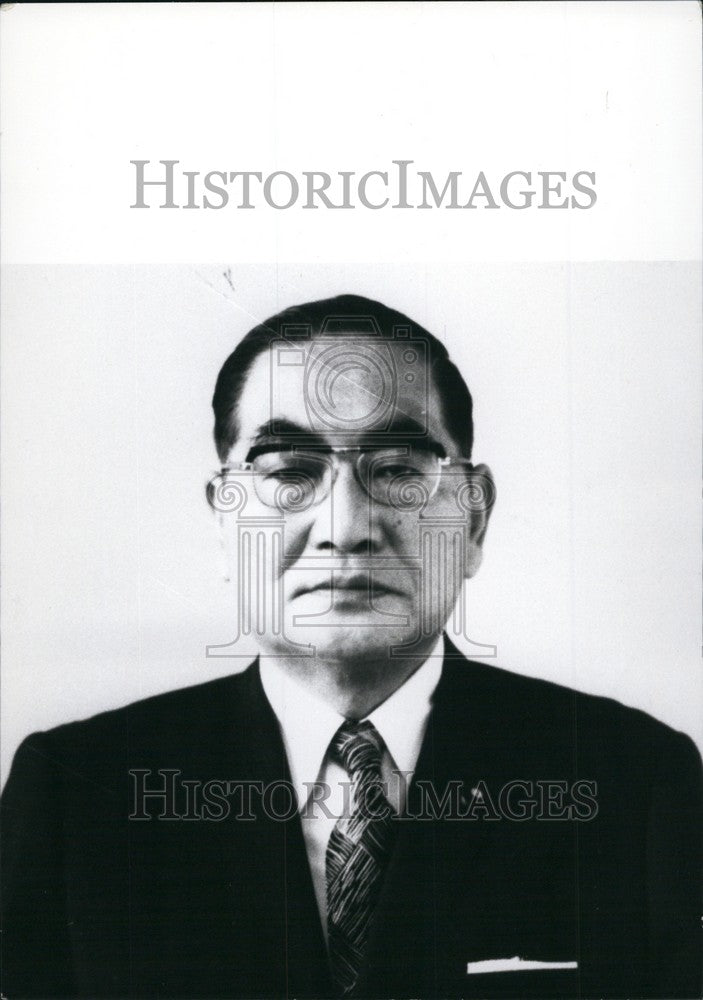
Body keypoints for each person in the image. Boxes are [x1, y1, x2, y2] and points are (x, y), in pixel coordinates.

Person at [2, 294, 701, 999]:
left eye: (398, 468)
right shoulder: (74, 793)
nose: (345, 526)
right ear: (224, 522)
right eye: (286, 472)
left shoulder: (635, 782)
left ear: (474, 518)